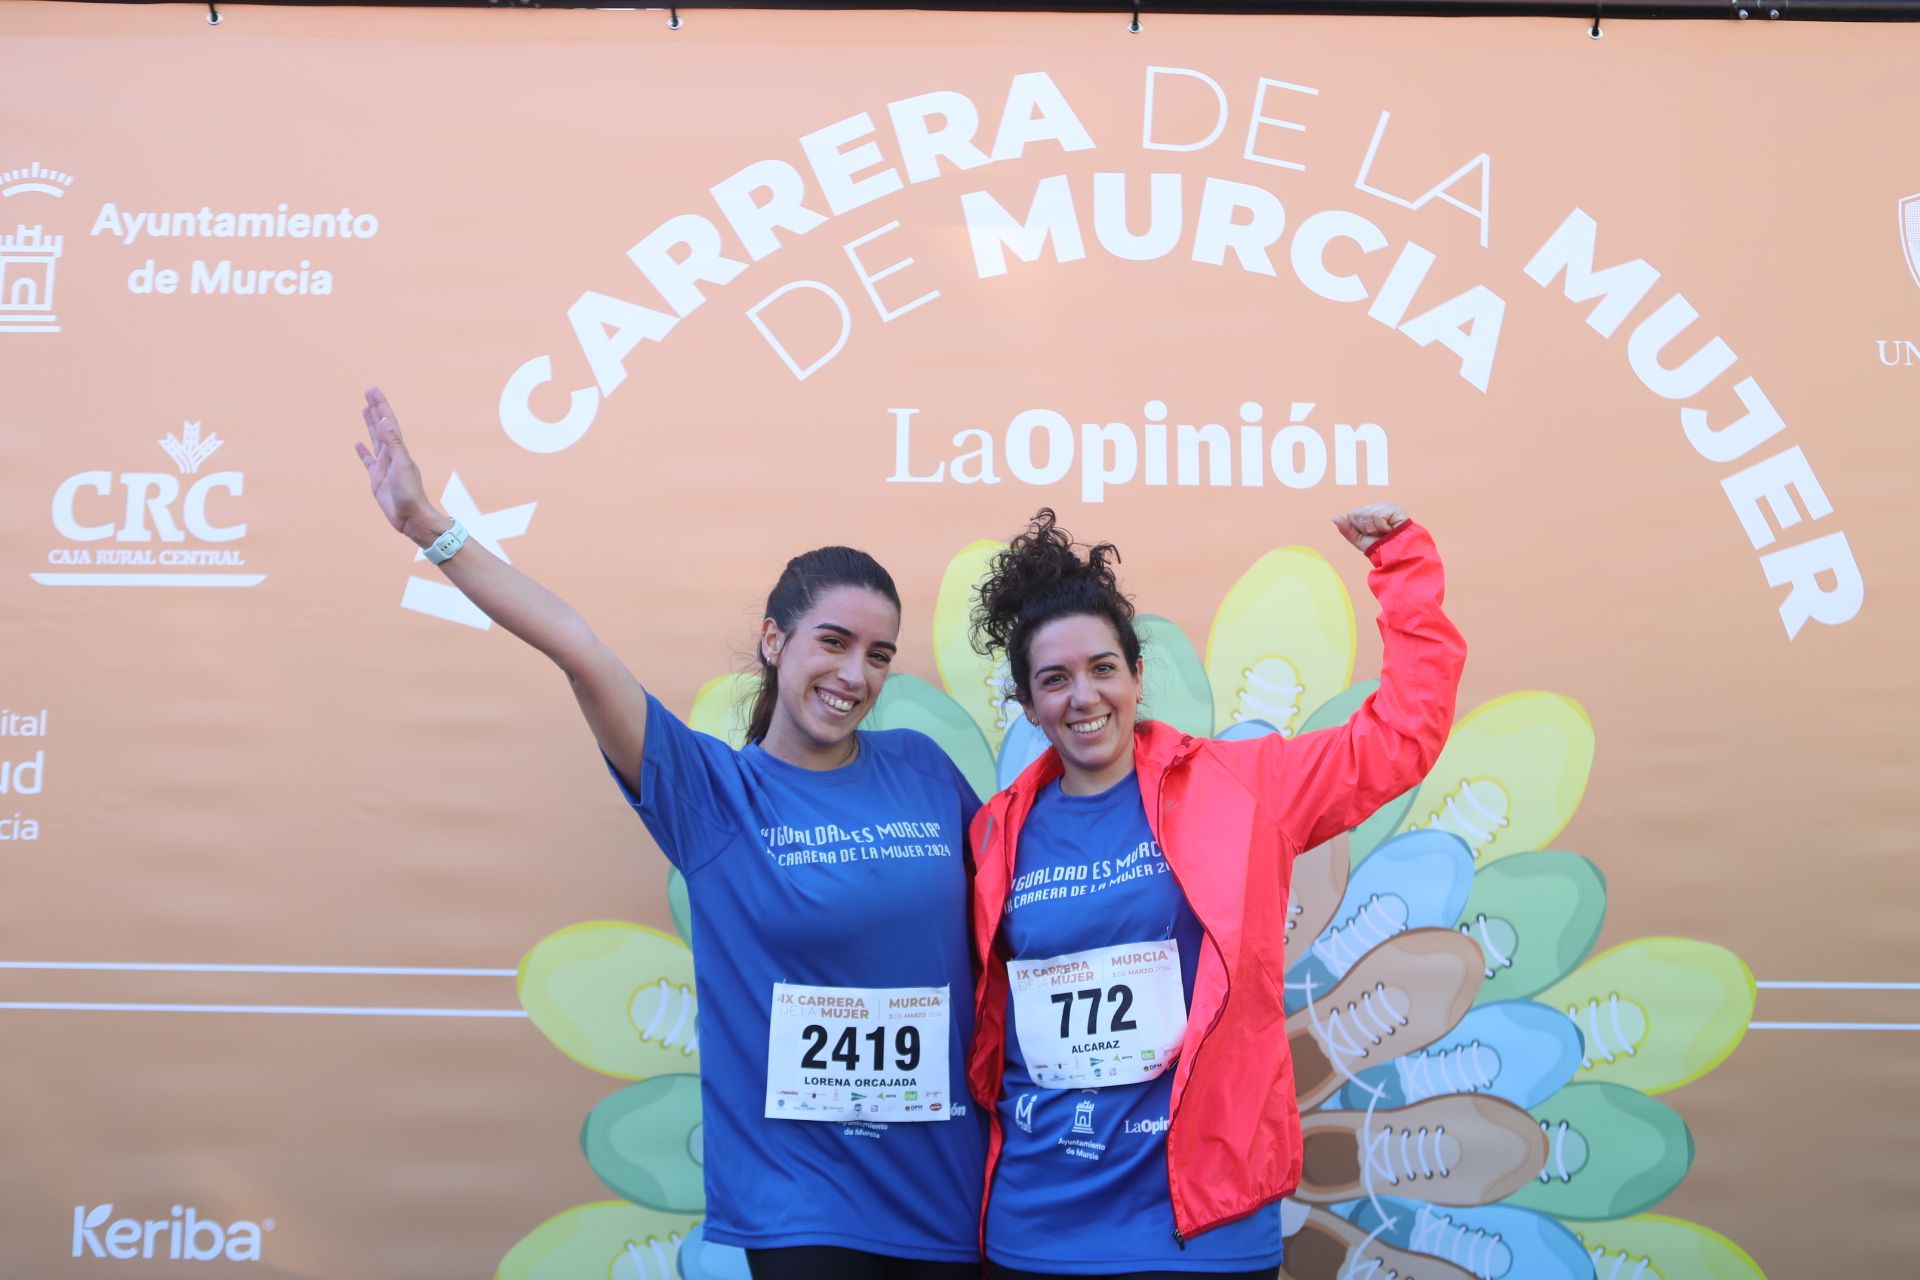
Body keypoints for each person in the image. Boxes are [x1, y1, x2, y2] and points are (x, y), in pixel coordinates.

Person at [355, 388, 985, 1280]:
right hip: (800, 1208)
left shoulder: (924, 771)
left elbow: (1014, 914)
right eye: (834, 642)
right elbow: (579, 649)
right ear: (774, 639)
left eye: (879, 655)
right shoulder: (712, 794)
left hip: (944, 1199)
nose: (855, 674)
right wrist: (429, 525)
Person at [963, 504, 1466, 1280]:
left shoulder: (1242, 785)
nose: (1083, 696)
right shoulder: (996, 833)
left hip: (1202, 1230)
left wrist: (1401, 566)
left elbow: (1403, 734)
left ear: (1136, 675)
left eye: (1102, 668)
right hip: (1038, 1228)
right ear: (1029, 707)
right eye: (1054, 680)